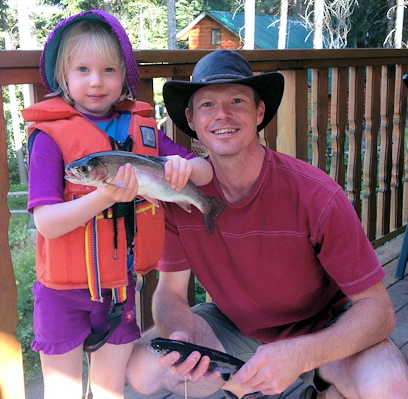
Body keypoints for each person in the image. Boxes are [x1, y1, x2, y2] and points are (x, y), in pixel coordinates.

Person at [125, 49, 408, 399]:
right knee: (142, 367)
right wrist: (183, 337)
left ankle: (316, 381)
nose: (222, 114)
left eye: (238, 100)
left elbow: (379, 311)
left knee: (390, 386)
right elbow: (169, 292)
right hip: (235, 328)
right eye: (207, 105)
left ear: (259, 112)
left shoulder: (316, 195)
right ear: (191, 119)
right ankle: (245, 383)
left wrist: (303, 352)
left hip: (322, 328)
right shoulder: (182, 197)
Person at [21, 10, 213, 399]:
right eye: (83, 69)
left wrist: (183, 166)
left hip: (121, 291)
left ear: (124, 76)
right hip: (62, 296)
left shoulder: (143, 129)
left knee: (110, 390)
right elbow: (47, 224)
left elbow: (205, 173)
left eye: (109, 70)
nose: (96, 81)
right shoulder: (49, 139)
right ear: (63, 77)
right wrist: (104, 197)